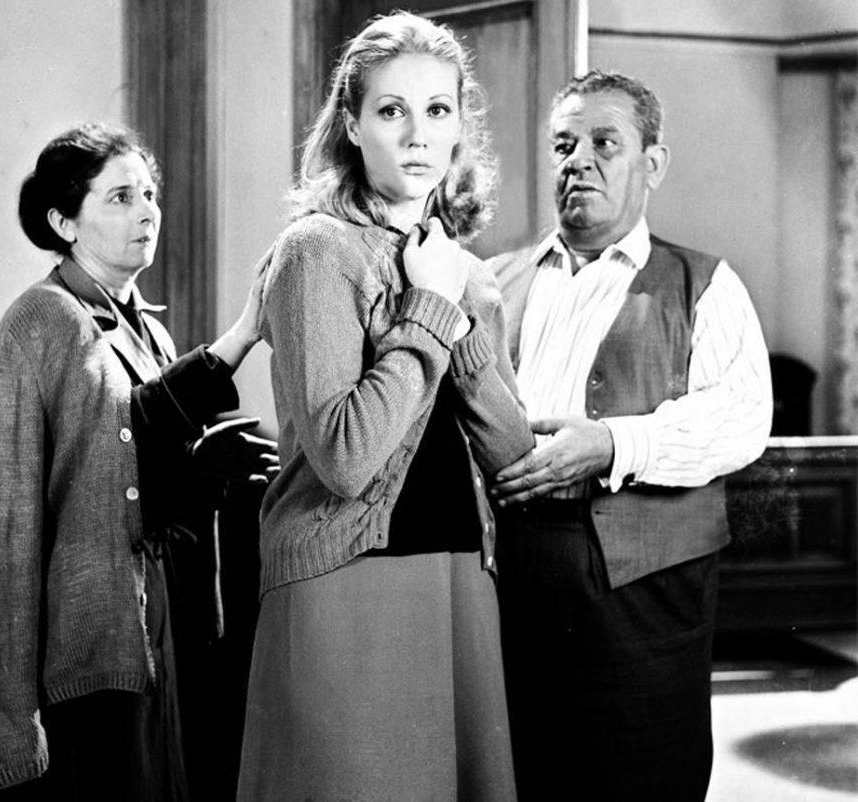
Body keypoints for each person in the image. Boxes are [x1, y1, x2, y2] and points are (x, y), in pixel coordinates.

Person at [236, 13, 534, 801]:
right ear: (352, 124)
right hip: (345, 583)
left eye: (438, 110)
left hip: (458, 574)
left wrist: (458, 318)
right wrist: (428, 309)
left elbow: (510, 453)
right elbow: (344, 458)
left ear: (460, 125)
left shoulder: (465, 273)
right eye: (391, 110)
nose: (418, 134)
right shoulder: (316, 250)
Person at [0, 122, 277, 800]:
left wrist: (203, 469)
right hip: (88, 634)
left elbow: (139, 463)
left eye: (150, 194)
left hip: (161, 619)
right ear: (63, 222)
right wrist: (6, 708)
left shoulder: (150, 327)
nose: (147, 211)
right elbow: (12, 516)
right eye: (121, 197)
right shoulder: (41, 319)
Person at [490, 70, 773, 802]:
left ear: (653, 163)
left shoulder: (704, 283)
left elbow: (743, 417)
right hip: (508, 569)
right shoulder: (493, 282)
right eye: (563, 145)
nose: (578, 161)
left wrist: (615, 444)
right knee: (521, 770)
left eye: (604, 143)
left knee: (643, 772)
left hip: (646, 587)